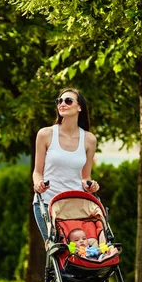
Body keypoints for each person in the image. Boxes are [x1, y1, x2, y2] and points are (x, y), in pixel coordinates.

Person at [33, 87, 99, 243]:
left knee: (79, 253)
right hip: (48, 204)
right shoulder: (45, 134)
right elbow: (37, 172)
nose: (62, 104)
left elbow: (85, 177)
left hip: (75, 206)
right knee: (57, 251)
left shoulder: (89, 139)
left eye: (68, 101)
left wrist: (91, 186)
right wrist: (38, 184)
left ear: (79, 107)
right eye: (59, 101)